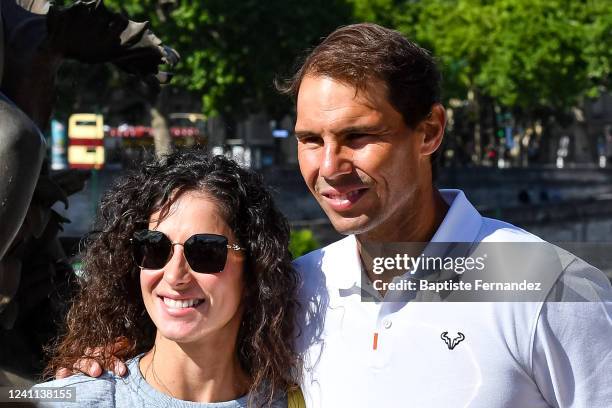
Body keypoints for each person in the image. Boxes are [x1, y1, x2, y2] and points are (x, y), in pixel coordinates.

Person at [60, 23, 612, 407]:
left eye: (358, 137)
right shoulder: (300, 286)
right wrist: (100, 369)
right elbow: (186, 335)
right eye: (309, 140)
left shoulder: (550, 286)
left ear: (430, 132)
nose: (329, 166)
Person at [36, 149, 303, 407]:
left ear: (253, 271)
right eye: (154, 247)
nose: (175, 275)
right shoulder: (68, 400)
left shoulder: (304, 400)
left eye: (205, 251)